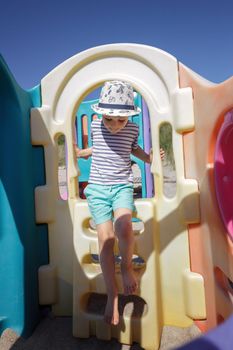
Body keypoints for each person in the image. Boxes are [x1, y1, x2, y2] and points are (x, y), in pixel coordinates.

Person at [74, 81, 157, 326]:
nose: (115, 126)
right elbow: (96, 148)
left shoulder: (131, 130)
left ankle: (128, 267)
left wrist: (149, 158)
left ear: (129, 118)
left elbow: (134, 149)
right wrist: (80, 153)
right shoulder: (98, 126)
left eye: (121, 121)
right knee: (106, 239)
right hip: (98, 190)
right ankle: (113, 294)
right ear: (102, 114)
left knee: (124, 229)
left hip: (121, 186)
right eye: (110, 119)